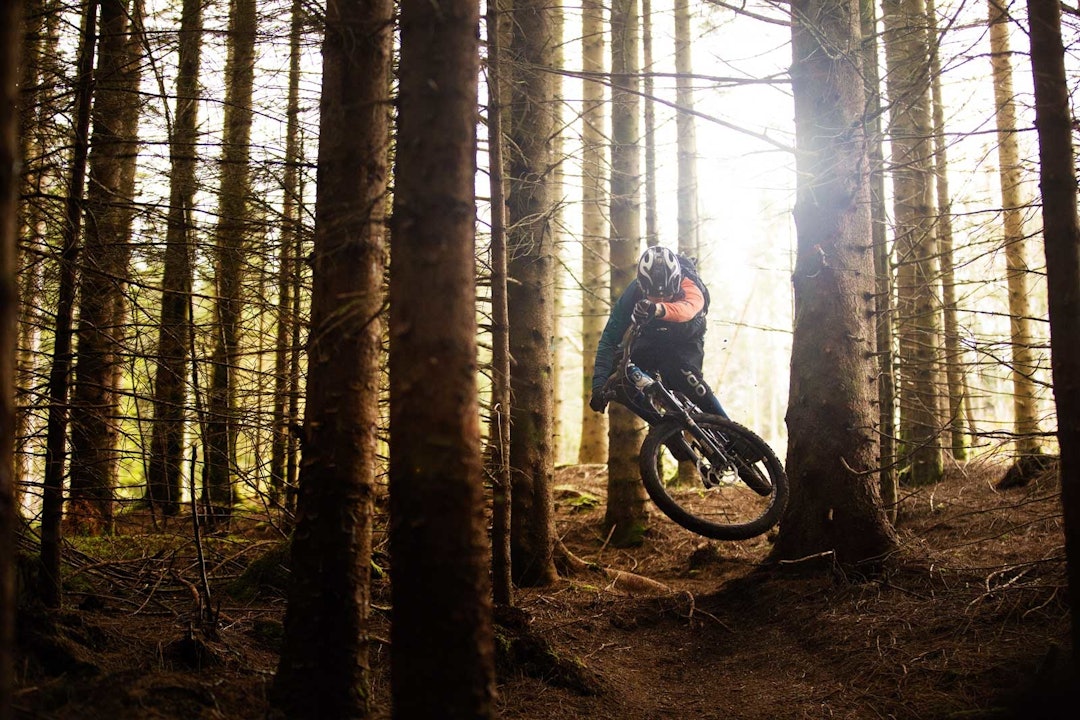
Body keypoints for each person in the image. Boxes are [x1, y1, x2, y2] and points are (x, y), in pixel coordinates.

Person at [589, 245, 727, 422]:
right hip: (652, 340)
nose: (661, 298)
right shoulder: (634, 292)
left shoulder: (689, 285)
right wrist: (598, 386)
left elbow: (687, 310)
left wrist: (658, 308)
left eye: (667, 294)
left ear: (676, 283)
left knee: (678, 373)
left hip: (685, 341)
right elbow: (609, 339)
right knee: (618, 374)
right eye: (654, 295)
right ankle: (663, 428)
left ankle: (731, 432)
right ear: (643, 286)